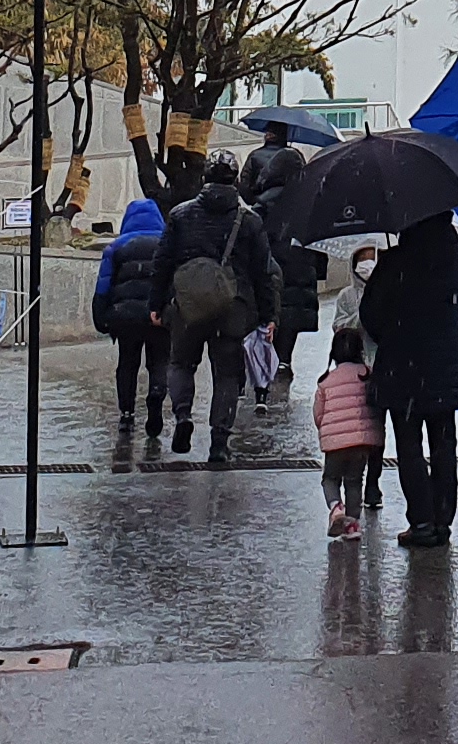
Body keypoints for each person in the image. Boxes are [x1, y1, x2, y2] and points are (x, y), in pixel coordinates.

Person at [149, 153, 277, 466]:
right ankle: (219, 442)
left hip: (187, 306)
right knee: (228, 376)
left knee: (181, 363)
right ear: (234, 180)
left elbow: (162, 262)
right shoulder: (249, 221)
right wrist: (268, 316)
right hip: (231, 309)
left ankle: (183, 416)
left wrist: (156, 304)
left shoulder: (181, 215)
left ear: (205, 178)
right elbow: (264, 272)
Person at [361, 204, 458, 547]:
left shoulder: (394, 261)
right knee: (444, 444)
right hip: (444, 365)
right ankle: (443, 520)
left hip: (402, 367)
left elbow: (370, 315)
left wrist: (392, 333)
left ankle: (421, 521)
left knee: (409, 446)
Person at [240, 130, 326, 398]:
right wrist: (318, 269)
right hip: (300, 263)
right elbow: (320, 239)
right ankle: (285, 359)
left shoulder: (263, 203)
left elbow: (250, 235)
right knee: (291, 314)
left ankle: (264, 362)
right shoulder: (309, 201)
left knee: (269, 311)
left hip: (270, 264)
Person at [91, 193, 171, 438]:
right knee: (160, 361)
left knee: (127, 363)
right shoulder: (167, 246)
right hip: (158, 315)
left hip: (125, 316)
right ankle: (156, 395)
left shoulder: (115, 247)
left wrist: (101, 318)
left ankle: (126, 415)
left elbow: (103, 286)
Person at [310, 321, 382, 540]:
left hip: (335, 443)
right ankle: (353, 525)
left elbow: (318, 414)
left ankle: (336, 507)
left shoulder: (326, 381)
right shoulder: (367, 375)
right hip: (362, 441)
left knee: (330, 479)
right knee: (354, 481)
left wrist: (326, 430)